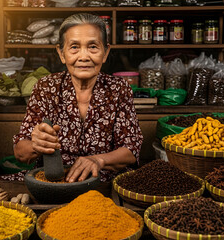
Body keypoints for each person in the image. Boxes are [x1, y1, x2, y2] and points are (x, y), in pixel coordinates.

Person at [13, 13, 143, 182]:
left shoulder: (119, 89)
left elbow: (130, 150)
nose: (83, 57)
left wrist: (98, 160)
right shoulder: (46, 87)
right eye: (74, 47)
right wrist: (37, 145)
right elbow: (20, 152)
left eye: (93, 47)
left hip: (101, 181)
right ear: (61, 53)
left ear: (105, 52)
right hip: (52, 181)